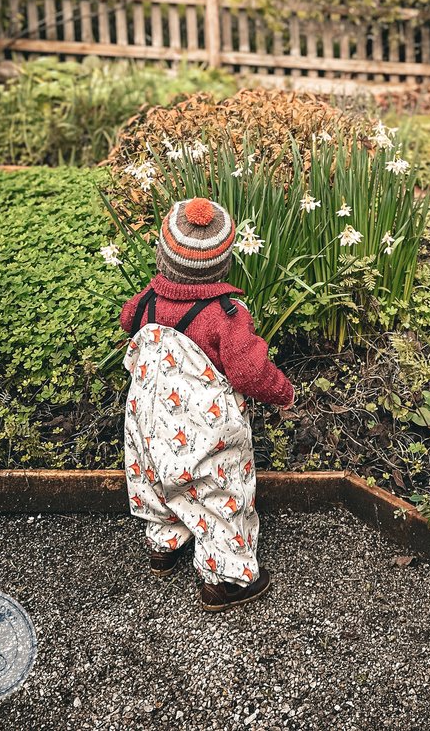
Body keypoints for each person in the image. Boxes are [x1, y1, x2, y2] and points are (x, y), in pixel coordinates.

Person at [120, 196, 294, 611]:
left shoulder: (147, 301)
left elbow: (129, 321)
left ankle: (164, 545)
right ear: (224, 266)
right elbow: (250, 373)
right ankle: (227, 580)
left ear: (162, 256)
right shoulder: (224, 315)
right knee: (219, 491)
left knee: (155, 476)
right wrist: (283, 392)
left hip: (148, 418)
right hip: (204, 427)